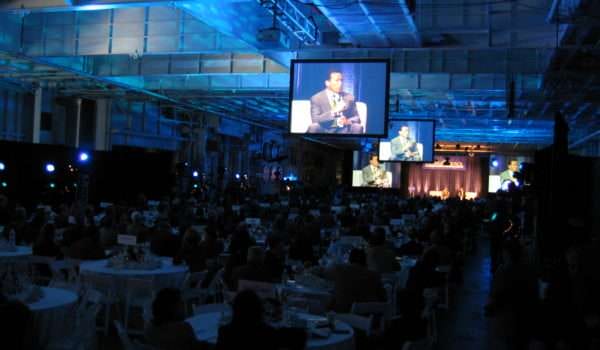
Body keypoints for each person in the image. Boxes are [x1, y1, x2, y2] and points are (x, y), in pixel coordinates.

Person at [216, 290, 306, 350]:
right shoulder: (269, 333)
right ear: (259, 310)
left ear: (235, 310)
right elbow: (301, 336)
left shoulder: (225, 333)